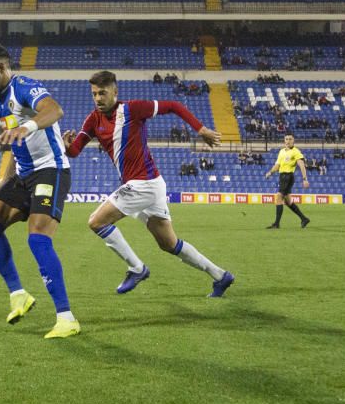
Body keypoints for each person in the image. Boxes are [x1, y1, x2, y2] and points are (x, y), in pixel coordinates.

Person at [62, 71, 235, 297]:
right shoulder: (93, 120)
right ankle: (221, 276)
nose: (98, 98)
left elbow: (173, 105)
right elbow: (75, 151)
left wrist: (200, 129)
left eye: (102, 93)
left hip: (144, 183)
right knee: (169, 244)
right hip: (150, 185)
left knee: (96, 222)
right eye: (94, 94)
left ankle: (137, 268)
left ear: (115, 91)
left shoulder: (133, 109)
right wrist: (67, 146)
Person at [0, 42, 79, 339]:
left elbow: (54, 110)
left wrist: (27, 127)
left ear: (1, 68)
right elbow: (14, 146)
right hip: (22, 175)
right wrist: (1, 179)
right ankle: (19, 294)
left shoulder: (23, 86)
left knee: (38, 239)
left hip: (51, 170)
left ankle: (66, 318)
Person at [264, 134, 311, 229]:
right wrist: (270, 172)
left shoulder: (296, 151)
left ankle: (276, 224)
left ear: (293, 141)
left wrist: (305, 179)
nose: (288, 141)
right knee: (288, 202)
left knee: (278, 198)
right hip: (282, 177)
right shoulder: (281, 151)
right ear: (284, 140)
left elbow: (301, 165)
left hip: (288, 177)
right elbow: (277, 165)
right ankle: (304, 219)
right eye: (286, 139)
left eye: (290, 139)